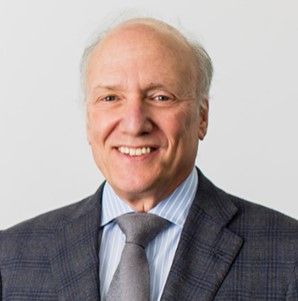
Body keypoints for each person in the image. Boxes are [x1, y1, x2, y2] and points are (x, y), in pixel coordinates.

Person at [0, 17, 297, 301]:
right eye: (110, 98)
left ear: (202, 117)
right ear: (89, 120)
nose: (134, 123)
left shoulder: (287, 254)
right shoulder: (11, 256)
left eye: (160, 97)